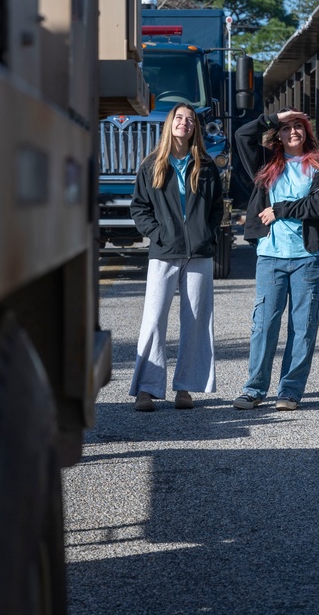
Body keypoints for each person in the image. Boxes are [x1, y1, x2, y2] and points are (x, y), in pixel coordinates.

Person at [232, 109, 319, 411]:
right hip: (270, 256)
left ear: (307, 132)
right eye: (286, 128)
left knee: (303, 327)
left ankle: (289, 391)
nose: (293, 132)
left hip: (307, 258)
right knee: (264, 325)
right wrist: (273, 117)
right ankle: (254, 389)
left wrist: (281, 210)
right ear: (278, 133)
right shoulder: (266, 163)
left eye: (298, 127)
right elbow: (242, 135)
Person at [130, 103, 224, 412]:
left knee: (196, 321)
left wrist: (206, 234)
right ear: (170, 124)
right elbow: (139, 207)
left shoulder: (207, 166)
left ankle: (186, 388)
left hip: (199, 253)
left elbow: (216, 208)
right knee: (154, 319)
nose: (184, 123)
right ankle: (146, 388)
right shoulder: (151, 165)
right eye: (179, 118)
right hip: (164, 252)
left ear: (195, 128)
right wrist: (158, 234)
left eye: (190, 120)